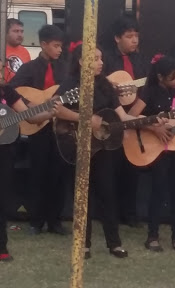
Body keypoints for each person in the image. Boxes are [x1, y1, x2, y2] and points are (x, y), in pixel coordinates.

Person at [55, 43, 142, 259]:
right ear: (82, 62)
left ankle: (114, 243)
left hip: (102, 146)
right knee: (83, 195)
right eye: (95, 58)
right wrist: (85, 119)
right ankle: (83, 244)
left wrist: (148, 122)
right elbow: (56, 108)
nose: (101, 62)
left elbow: (121, 116)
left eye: (101, 58)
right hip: (77, 143)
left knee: (107, 192)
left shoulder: (105, 86)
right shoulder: (70, 84)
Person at [128, 55, 175, 252]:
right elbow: (131, 117)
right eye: (174, 77)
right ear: (160, 77)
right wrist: (154, 127)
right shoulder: (150, 91)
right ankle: (152, 236)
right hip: (158, 148)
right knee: (158, 190)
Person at [9, 25, 69, 236]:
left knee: (58, 174)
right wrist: (30, 105)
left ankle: (55, 220)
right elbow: (12, 91)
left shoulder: (66, 69)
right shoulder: (29, 69)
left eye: (61, 46)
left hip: (60, 128)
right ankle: (36, 220)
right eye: (55, 46)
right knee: (38, 174)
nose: (59, 50)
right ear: (43, 44)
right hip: (38, 130)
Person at [0, 65, 61, 262]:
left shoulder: (7, 91)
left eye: (1, 70)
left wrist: (53, 112)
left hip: (5, 154)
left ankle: (1, 247)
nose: (1, 74)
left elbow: (31, 117)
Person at [103, 16, 149, 227]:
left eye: (136, 36)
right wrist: (112, 88)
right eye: (129, 36)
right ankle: (109, 213)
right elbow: (99, 84)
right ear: (116, 38)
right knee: (111, 168)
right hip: (111, 118)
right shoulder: (106, 59)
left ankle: (130, 214)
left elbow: (147, 88)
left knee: (132, 166)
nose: (134, 40)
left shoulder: (141, 61)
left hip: (134, 116)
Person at [4, 19, 31, 83]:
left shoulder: (25, 51)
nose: (20, 35)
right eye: (16, 31)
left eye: (22, 31)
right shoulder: (2, 49)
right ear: (5, 32)